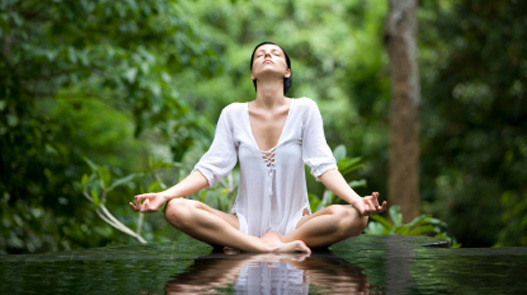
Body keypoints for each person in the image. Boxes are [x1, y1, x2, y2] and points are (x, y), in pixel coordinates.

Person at [130, 41, 387, 254]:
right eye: (260, 54)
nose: (267, 54)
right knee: (175, 209)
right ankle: (263, 247)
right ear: (252, 74)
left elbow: (324, 167)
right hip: (243, 224)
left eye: (276, 53)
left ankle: (271, 244)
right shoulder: (232, 114)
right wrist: (165, 195)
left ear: (287, 71)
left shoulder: (305, 110)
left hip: (296, 225)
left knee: (356, 217)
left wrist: (357, 200)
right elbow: (210, 170)